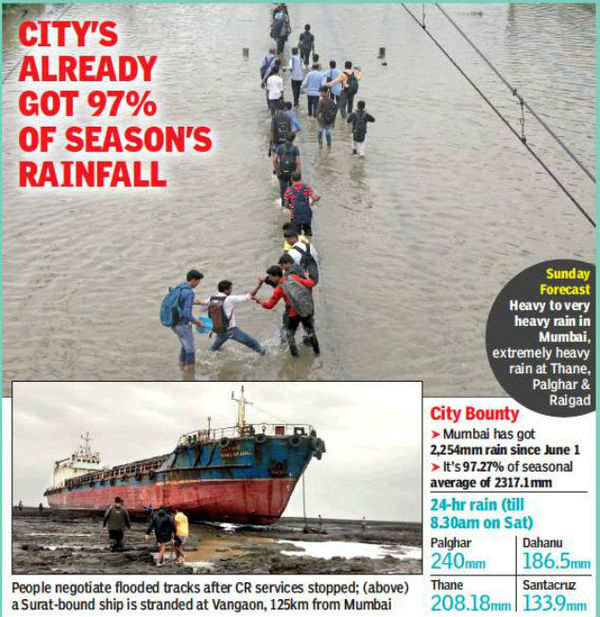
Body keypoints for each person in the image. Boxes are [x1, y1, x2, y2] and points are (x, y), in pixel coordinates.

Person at [255, 259, 319, 356]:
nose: (270, 279)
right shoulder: (293, 277)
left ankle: (295, 357)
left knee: (290, 334)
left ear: (276, 276)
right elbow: (310, 283)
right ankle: (317, 353)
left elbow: (269, 306)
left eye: (271, 277)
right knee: (310, 332)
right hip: (306, 309)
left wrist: (259, 301)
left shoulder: (279, 289)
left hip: (294, 313)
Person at [200, 280, 265, 355]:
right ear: (226, 290)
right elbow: (250, 295)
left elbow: (203, 306)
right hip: (232, 331)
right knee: (255, 345)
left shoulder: (211, 298)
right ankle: (264, 355)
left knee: (213, 349)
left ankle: (206, 358)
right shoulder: (230, 299)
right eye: (230, 288)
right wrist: (259, 285)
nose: (231, 290)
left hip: (220, 331)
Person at [170, 270, 206, 377]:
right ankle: (190, 375)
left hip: (173, 323)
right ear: (194, 280)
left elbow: (179, 301)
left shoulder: (180, 287)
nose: (198, 284)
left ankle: (181, 366)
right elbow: (187, 314)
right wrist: (197, 322)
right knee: (190, 350)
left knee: (184, 344)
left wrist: (196, 302)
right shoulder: (189, 292)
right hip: (182, 324)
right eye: (198, 282)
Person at [283, 171, 320, 239]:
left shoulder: (289, 190)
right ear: (301, 178)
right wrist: (312, 203)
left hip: (295, 216)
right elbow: (315, 197)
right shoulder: (306, 187)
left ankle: (300, 247)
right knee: (308, 231)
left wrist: (291, 208)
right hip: (307, 214)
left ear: (292, 179)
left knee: (297, 233)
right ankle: (308, 245)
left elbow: (285, 204)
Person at [273, 133, 301, 207]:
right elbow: (298, 162)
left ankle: (284, 207)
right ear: (293, 139)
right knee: (293, 191)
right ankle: (292, 207)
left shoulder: (280, 147)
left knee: (283, 192)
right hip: (292, 173)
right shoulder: (295, 148)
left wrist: (277, 171)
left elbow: (274, 160)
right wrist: (298, 174)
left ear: (285, 138)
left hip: (282, 173)